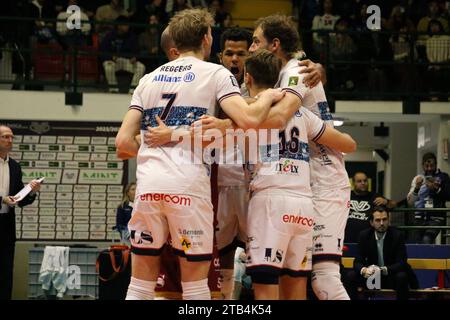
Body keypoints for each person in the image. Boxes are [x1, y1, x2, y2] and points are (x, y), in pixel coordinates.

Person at [115, 8, 284, 300]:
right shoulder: (216, 73)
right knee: (195, 287)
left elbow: (123, 144)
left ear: (175, 43)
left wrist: (161, 141)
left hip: (148, 188)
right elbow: (250, 120)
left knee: (140, 285)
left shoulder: (147, 79)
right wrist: (269, 95)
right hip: (189, 188)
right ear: (207, 38)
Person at [241, 14, 357, 299]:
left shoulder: (296, 70)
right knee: (287, 279)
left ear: (275, 44)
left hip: (324, 177)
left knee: (324, 280)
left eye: (256, 41)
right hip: (300, 181)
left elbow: (279, 117)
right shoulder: (280, 72)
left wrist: (224, 122)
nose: (251, 47)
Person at [0, 125, 42, 300]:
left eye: (11, 137)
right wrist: (2, 199)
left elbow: (18, 199)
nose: (10, 140)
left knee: (5, 273)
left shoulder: (15, 166)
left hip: (6, 227)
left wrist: (30, 191)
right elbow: (5, 198)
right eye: (5, 137)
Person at [344, 206, 418, 300]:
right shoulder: (364, 236)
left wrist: (382, 270)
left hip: (389, 276)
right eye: (378, 220)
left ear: (388, 220)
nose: (382, 223)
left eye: (384, 219)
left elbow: (402, 263)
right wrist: (364, 270)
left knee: (402, 277)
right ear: (372, 222)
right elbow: (357, 261)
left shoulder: (397, 235)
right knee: (351, 276)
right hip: (371, 277)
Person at [407, 152, 450, 243]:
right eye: (427, 166)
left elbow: (449, 195)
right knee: (415, 242)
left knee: (427, 239)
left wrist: (437, 189)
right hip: (419, 218)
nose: (429, 168)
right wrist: (417, 188)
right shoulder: (418, 179)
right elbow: (410, 202)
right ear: (422, 166)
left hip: (436, 218)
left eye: (432, 165)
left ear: (436, 165)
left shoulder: (443, 177)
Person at [345, 171, 396, 243]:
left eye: (365, 181)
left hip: (368, 239)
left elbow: (394, 204)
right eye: (359, 181)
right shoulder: (346, 195)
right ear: (353, 183)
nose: (363, 183)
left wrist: (386, 201)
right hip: (347, 237)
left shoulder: (374, 196)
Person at [100, 16, 145, 94]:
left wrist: (134, 57)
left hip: (127, 61)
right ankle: (113, 90)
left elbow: (137, 51)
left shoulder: (132, 36)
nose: (127, 27)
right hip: (114, 61)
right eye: (125, 25)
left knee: (141, 67)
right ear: (119, 26)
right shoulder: (110, 36)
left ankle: (132, 91)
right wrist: (111, 57)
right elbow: (102, 51)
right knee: (108, 66)